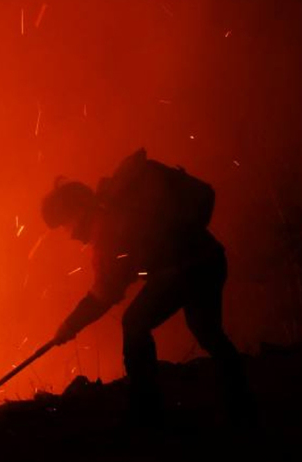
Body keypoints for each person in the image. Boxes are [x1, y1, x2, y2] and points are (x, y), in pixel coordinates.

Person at [41, 148, 254, 424]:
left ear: (77, 211)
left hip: (189, 269)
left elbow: (106, 292)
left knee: (135, 322)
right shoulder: (114, 212)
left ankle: (147, 410)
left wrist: (70, 326)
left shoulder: (108, 229)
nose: (69, 235)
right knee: (209, 333)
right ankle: (241, 403)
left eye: (64, 225)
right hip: (208, 259)